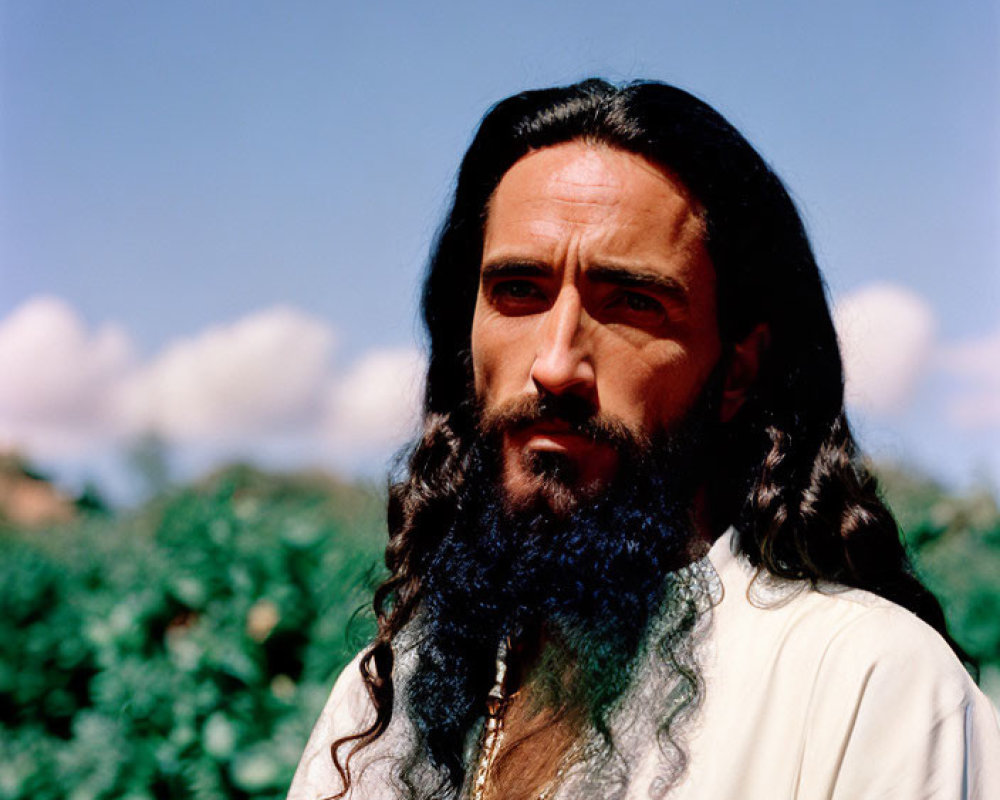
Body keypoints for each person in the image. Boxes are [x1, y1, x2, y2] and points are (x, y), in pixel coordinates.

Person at [287, 79, 1000, 800]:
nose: (555, 364)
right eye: (518, 292)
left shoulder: (868, 687)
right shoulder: (379, 712)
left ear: (736, 373)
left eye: (631, 303)